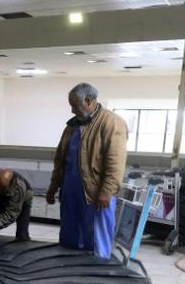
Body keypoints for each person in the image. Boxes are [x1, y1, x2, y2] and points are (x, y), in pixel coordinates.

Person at [46, 82, 128, 259]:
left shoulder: (112, 123)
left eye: (75, 106)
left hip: (96, 195)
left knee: (97, 242)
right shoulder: (71, 126)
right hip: (70, 192)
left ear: (89, 101)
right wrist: (54, 186)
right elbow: (60, 159)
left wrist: (107, 192)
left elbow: (115, 161)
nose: (72, 111)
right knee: (70, 237)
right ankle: (67, 272)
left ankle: (98, 274)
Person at [0, 168, 34, 241]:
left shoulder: (18, 189)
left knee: (22, 235)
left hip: (23, 200)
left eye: (2, 189)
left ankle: (22, 238)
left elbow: (10, 214)